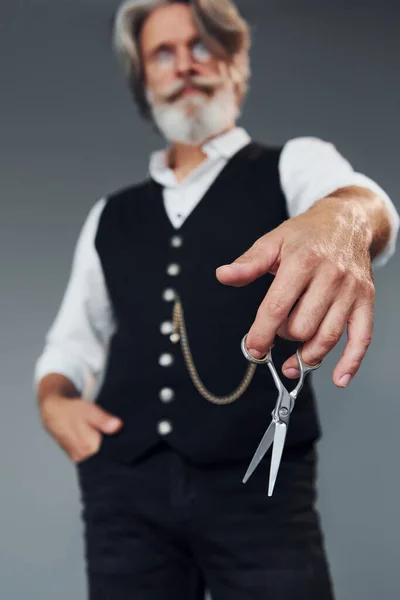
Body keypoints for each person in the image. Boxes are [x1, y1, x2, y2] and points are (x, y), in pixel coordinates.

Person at [34, 1, 399, 599]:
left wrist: (344, 221)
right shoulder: (110, 216)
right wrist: (56, 404)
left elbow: (367, 203)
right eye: (164, 53)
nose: (185, 65)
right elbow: (69, 345)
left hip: (259, 491)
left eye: (202, 46)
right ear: (144, 79)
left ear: (235, 60)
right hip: (125, 494)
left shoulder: (294, 165)